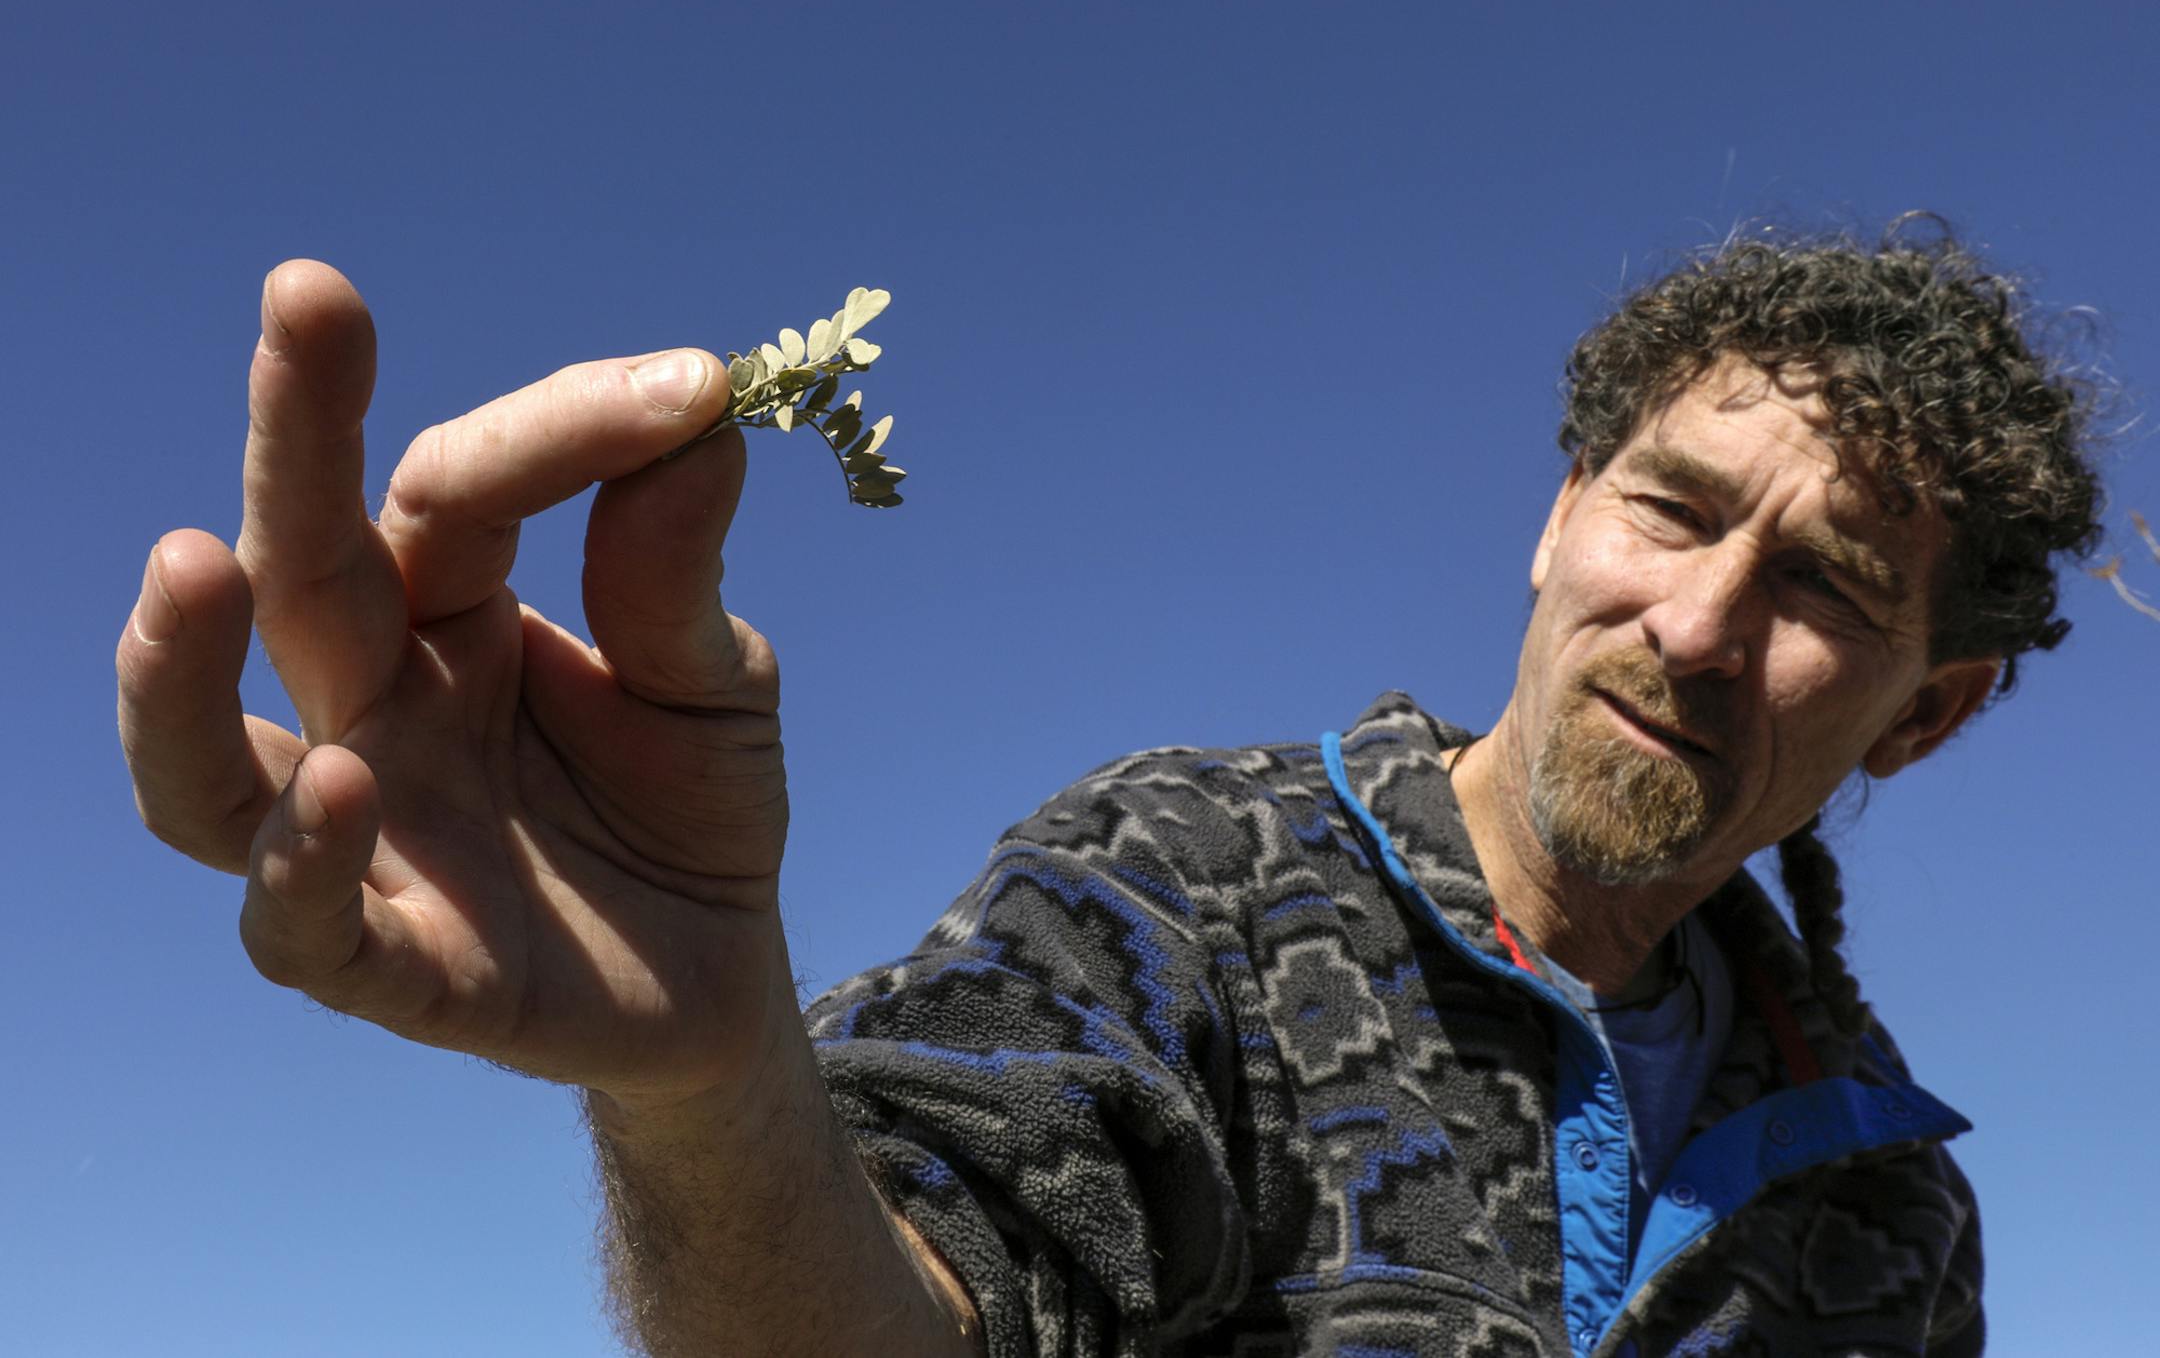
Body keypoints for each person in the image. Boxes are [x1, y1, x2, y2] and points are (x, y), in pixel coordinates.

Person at [117, 219, 2102, 1356]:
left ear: (1926, 716)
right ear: (1561, 519)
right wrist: (705, 1092)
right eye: (1669, 511)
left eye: (1826, 589)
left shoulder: (1887, 1206)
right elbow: (915, 1318)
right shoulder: (1188, 883)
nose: (1694, 625)